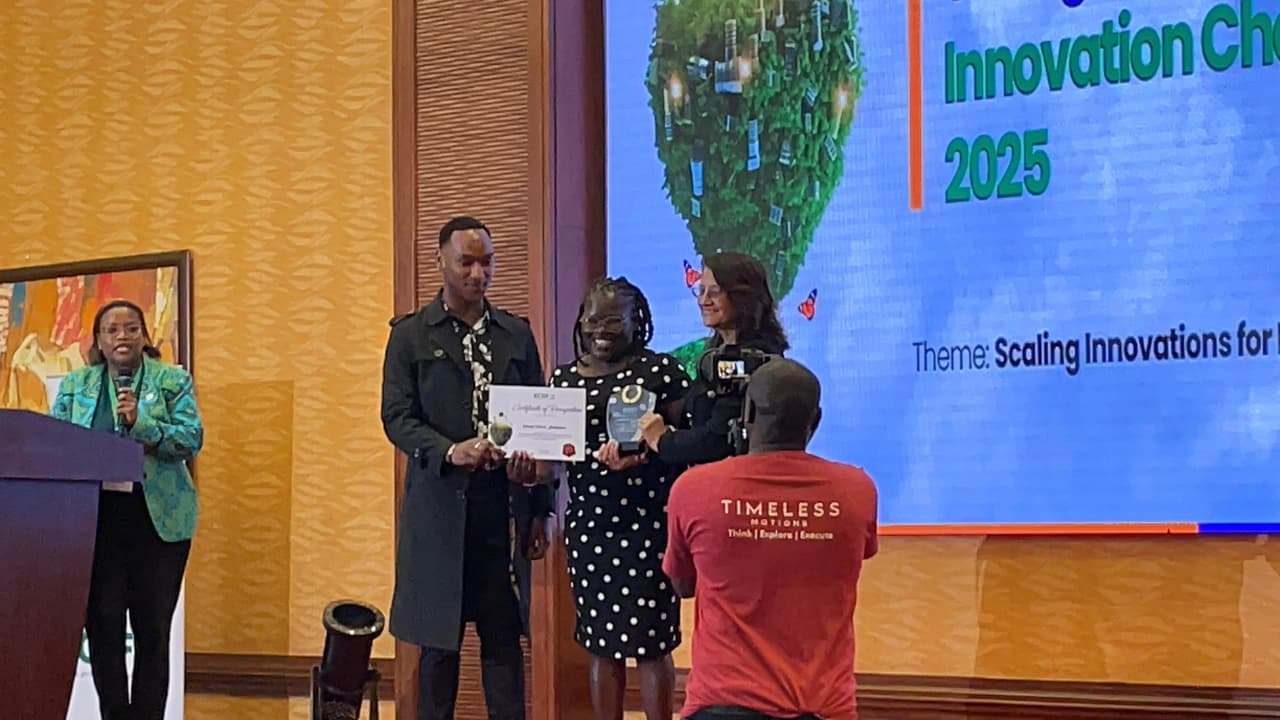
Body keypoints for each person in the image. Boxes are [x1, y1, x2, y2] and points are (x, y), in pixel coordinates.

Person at [381, 216, 551, 720]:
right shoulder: (411, 335)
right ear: (441, 261)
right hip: (441, 511)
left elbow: (540, 419)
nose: (479, 274)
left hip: (502, 510)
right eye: (467, 262)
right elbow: (396, 418)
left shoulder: (516, 334)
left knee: (504, 647)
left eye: (487, 263)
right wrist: (449, 450)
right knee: (438, 652)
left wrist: (541, 506)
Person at [663, 359, 878, 720]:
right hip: (823, 707)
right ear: (816, 420)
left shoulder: (693, 488)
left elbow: (683, 585)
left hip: (721, 704)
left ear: (746, 412)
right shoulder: (858, 489)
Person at [51, 299, 203, 720]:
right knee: (103, 630)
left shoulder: (171, 381)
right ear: (98, 340)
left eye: (131, 328)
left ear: (144, 336)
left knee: (152, 631)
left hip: (156, 524)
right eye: (112, 330)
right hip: (95, 526)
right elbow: (55, 442)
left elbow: (191, 438)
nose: (122, 336)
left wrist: (142, 423)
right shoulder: (76, 386)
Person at [548, 277, 690, 720]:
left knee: (652, 644)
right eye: (593, 320)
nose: (601, 331)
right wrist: (528, 466)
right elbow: (552, 457)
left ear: (637, 321)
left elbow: (686, 443)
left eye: (613, 321)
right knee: (601, 643)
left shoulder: (661, 372)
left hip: (648, 525)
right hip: (589, 528)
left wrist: (648, 453)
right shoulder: (562, 380)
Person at [639, 252, 789, 465]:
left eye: (715, 292)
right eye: (701, 291)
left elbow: (718, 440)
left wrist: (662, 441)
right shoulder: (715, 352)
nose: (703, 301)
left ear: (742, 297)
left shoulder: (755, 359)